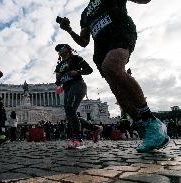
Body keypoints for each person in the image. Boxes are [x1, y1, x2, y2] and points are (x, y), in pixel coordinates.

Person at [57, 0, 169, 152]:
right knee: (117, 90)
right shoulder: (85, 14)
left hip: (120, 33)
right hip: (101, 49)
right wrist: (69, 30)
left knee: (111, 66)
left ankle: (151, 120)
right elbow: (84, 41)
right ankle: (147, 129)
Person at [54, 44, 93, 149]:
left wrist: (77, 72)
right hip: (67, 89)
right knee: (70, 113)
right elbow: (57, 81)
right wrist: (58, 81)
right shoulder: (59, 65)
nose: (60, 52)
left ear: (68, 49)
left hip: (78, 85)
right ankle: (94, 128)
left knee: (71, 110)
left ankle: (78, 139)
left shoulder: (76, 58)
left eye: (62, 49)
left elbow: (89, 70)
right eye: (58, 51)